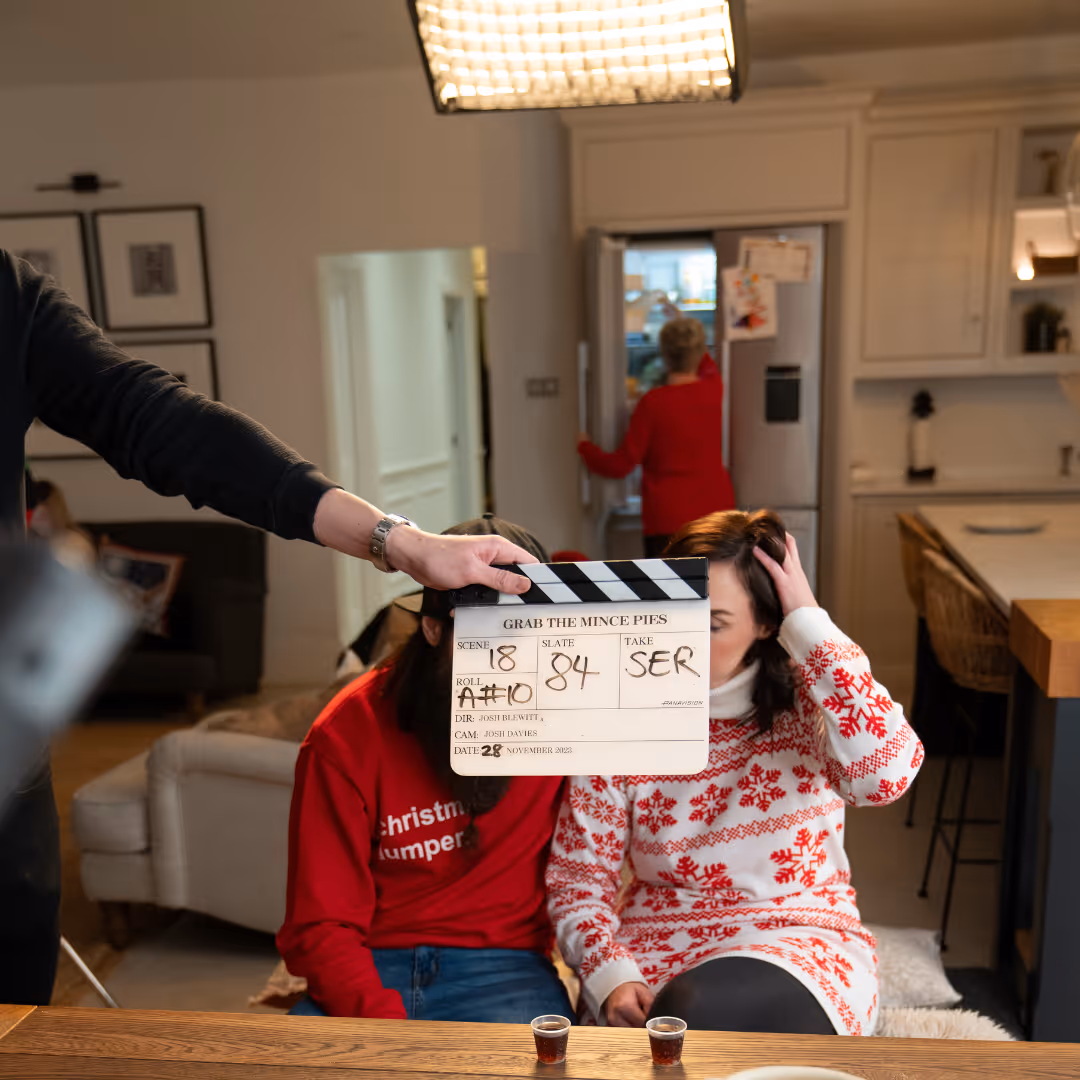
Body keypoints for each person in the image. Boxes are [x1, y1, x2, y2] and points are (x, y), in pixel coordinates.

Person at [0, 250, 536, 1006]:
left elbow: (159, 421)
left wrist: (403, 541)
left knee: (15, 992)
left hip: (4, 755)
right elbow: (321, 926)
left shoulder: (7, 295)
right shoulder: (353, 732)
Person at [547, 510, 924, 1037]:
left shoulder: (811, 698)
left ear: (767, 624)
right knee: (676, 1019)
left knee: (691, 1014)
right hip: (653, 952)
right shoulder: (617, 714)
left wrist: (810, 624)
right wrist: (610, 977)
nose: (682, 641)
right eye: (675, 612)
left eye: (713, 623)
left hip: (798, 939)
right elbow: (578, 881)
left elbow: (885, 777)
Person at [277, 515, 573, 1022]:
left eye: (527, 635)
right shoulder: (346, 732)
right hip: (370, 961)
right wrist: (382, 1027)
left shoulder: (580, 716)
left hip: (505, 966)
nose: (508, 661)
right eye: (482, 637)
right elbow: (320, 921)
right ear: (432, 629)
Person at [576, 317, 735, 558]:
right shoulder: (715, 388)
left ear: (665, 355)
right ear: (700, 351)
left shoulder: (652, 403)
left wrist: (585, 447)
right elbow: (704, 361)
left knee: (671, 594)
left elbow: (622, 465)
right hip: (717, 516)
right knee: (716, 592)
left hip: (668, 520)